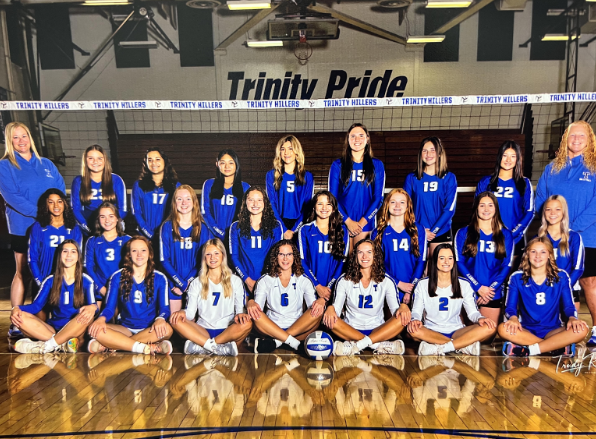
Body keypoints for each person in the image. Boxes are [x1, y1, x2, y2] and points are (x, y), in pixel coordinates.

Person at [0, 122, 65, 336]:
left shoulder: (45, 163)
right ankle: (16, 321)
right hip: (23, 226)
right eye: (15, 137)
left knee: (53, 269)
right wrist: (43, 214)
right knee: (23, 273)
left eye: (24, 136)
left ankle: (52, 317)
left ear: (30, 138)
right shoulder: (5, 165)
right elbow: (12, 197)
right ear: (10, 141)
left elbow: (59, 189)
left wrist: (54, 215)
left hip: (49, 227)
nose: (21, 141)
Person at [535, 121, 596, 346]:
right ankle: (566, 330)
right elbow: (540, 198)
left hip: (587, 236)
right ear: (565, 139)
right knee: (557, 279)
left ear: (589, 140)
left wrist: (572, 229)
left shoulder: (594, 166)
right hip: (552, 238)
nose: (577, 139)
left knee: (589, 281)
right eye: (573, 135)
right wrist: (551, 227)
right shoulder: (552, 168)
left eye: (582, 136)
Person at [498, 237, 588, 357]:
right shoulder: (516, 277)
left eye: (543, 252)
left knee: (583, 329)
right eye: (533, 251)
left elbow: (568, 306)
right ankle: (555, 348)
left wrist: (572, 318)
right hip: (526, 330)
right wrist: (513, 318)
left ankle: (529, 350)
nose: (538, 256)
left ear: (550, 255)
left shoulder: (561, 276)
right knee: (502, 329)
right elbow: (510, 308)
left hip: (553, 331)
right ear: (527, 254)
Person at [323, 239, 411, 356]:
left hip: (378, 330)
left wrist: (404, 306)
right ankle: (378, 346)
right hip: (351, 330)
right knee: (330, 319)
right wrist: (330, 309)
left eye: (369, 252)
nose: (365, 256)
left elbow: (395, 310)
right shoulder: (344, 280)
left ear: (376, 255)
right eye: (360, 252)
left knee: (403, 318)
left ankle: (356, 346)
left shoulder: (387, 281)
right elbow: (337, 310)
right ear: (355, 256)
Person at [87, 236, 173, 355]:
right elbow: (109, 308)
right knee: (96, 330)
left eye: (143, 250)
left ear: (149, 253)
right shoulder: (117, 277)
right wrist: (101, 319)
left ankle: (117, 345)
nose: (139, 254)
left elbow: (164, 308)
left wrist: (160, 319)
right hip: (125, 329)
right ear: (129, 254)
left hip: (148, 329)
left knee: (167, 329)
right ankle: (146, 347)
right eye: (134, 251)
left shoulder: (160, 278)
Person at [407, 243, 497, 356]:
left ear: (454, 261)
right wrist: (415, 319)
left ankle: (443, 347)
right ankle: (461, 346)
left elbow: (473, 312)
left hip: (457, 331)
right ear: (435, 260)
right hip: (431, 330)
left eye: (450, 258)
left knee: (490, 328)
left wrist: (480, 318)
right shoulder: (422, 284)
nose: (446, 262)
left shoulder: (464, 284)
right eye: (442, 258)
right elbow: (416, 311)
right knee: (413, 330)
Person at [11, 240, 97, 353]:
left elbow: (94, 307)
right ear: (59, 255)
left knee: (87, 315)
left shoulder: (86, 280)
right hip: (53, 330)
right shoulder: (50, 280)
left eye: (73, 252)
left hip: (76, 329)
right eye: (65, 251)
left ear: (78, 256)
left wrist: (93, 307)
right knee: (20, 316)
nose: (69, 255)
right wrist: (17, 308)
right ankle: (62, 345)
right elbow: (36, 306)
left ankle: (46, 346)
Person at [170, 238, 252, 356]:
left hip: (227, 331)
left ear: (223, 256)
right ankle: (215, 348)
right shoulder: (196, 282)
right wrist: (182, 312)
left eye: (216, 253)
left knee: (248, 323)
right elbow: (190, 314)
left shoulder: (235, 280)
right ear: (204, 258)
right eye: (208, 254)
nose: (212, 258)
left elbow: (239, 311)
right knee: (175, 320)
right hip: (203, 331)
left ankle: (204, 347)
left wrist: (241, 314)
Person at [247, 240, 325, 353]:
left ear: (294, 257)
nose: (285, 258)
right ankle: (295, 344)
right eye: (281, 254)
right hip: (271, 328)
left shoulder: (303, 280)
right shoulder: (265, 280)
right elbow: (257, 308)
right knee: (255, 312)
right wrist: (251, 303)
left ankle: (276, 342)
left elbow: (312, 308)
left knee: (317, 311)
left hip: (298, 328)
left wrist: (321, 301)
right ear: (275, 257)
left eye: (289, 254)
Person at [454, 192, 514, 322]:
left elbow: (506, 265)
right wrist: (478, 287)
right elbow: (459, 263)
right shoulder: (463, 233)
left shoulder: (506, 235)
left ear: (496, 208)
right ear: (476, 208)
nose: (486, 209)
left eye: (490, 205)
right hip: (468, 289)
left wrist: (490, 289)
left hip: (492, 292)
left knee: (487, 335)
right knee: (464, 334)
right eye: (482, 205)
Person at [328, 123, 385, 248]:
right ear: (348, 140)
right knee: (344, 264)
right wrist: (347, 221)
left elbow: (378, 198)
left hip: (365, 224)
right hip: (342, 222)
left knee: (361, 262)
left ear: (367, 139)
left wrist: (362, 223)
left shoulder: (377, 165)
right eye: (353, 136)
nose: (357, 139)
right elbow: (332, 198)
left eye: (361, 135)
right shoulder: (337, 165)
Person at [475, 140, 534, 259]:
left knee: (510, 275)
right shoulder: (486, 182)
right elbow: (476, 210)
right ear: (499, 157)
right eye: (505, 155)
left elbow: (529, 212)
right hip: (489, 237)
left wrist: (513, 234)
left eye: (513, 156)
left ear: (518, 159)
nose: (508, 160)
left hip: (514, 238)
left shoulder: (524, 183)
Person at [160, 185, 211, 313]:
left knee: (191, 324)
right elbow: (164, 260)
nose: (184, 203)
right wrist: (180, 283)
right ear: (174, 203)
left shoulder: (202, 228)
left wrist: (188, 283)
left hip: (195, 282)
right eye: (179, 199)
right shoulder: (166, 227)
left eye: (188, 199)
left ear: (194, 202)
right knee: (174, 322)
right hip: (173, 284)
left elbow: (204, 260)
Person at [404, 136, 457, 259]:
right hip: (417, 231)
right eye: (425, 150)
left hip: (441, 232)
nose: (428, 154)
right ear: (420, 154)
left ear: (439, 153)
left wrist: (433, 231)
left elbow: (449, 209)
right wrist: (420, 230)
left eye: (432, 150)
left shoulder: (449, 178)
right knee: (421, 272)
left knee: (438, 272)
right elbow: (405, 208)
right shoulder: (412, 178)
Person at [372, 188, 427, 304]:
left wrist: (410, 288)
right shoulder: (378, 232)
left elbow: (421, 261)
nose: (397, 205)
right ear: (387, 205)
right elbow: (376, 265)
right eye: (393, 202)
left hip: (413, 287)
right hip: (387, 286)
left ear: (408, 206)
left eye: (402, 202)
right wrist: (398, 283)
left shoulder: (418, 229)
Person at [229, 186, 283, 293]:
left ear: (265, 203)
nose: (255, 204)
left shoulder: (275, 226)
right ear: (245, 202)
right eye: (251, 200)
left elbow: (277, 257)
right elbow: (234, 257)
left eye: (259, 200)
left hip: (269, 282)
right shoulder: (236, 227)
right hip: (244, 282)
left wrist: (265, 281)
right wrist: (247, 280)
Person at [298, 191, 349, 303]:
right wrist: (317, 286)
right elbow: (302, 261)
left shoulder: (343, 230)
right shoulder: (305, 230)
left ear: (334, 207)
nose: (324, 207)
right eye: (320, 203)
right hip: (310, 285)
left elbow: (342, 262)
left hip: (333, 286)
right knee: (313, 316)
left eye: (328, 204)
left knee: (330, 318)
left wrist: (329, 287)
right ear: (314, 207)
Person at [537, 195, 585, 310]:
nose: (552, 213)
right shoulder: (537, 239)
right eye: (548, 209)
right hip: (543, 292)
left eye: (558, 209)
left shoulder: (574, 237)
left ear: (564, 212)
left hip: (568, 291)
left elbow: (578, 269)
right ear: (544, 212)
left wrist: (561, 288)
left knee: (570, 327)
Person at [29, 189, 82, 289]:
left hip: (66, 284)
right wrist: (41, 284)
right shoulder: (38, 227)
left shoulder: (74, 228)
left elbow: (77, 259)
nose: (56, 206)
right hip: (44, 281)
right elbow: (32, 259)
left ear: (65, 203)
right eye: (51, 202)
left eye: (59, 201)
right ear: (46, 205)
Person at [266, 135, 314, 240]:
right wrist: (282, 228)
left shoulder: (307, 176)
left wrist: (294, 230)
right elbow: (271, 203)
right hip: (278, 222)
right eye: (282, 149)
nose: (286, 153)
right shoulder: (272, 175)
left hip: (299, 223)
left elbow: (307, 206)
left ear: (297, 151)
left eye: (290, 148)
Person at [71, 144, 127, 235]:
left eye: (99, 158)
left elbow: (123, 209)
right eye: (90, 158)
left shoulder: (116, 180)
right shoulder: (78, 181)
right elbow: (75, 209)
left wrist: (109, 225)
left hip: (110, 227)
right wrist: (86, 226)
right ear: (85, 160)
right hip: (88, 228)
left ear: (105, 160)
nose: (95, 162)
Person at [84, 202, 131, 304]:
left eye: (111, 216)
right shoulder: (92, 241)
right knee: (95, 316)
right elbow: (89, 268)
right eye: (102, 217)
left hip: (121, 290)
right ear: (98, 219)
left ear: (117, 218)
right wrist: (101, 288)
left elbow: (132, 268)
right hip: (99, 290)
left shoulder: (127, 240)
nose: (107, 220)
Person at [131, 147, 179, 240]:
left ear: (164, 161)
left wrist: (164, 234)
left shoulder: (175, 186)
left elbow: (177, 214)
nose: (154, 163)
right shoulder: (138, 185)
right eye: (150, 160)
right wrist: (149, 234)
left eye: (157, 159)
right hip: (144, 237)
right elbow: (136, 212)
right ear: (146, 163)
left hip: (167, 236)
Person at [201, 149, 250, 239]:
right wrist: (219, 233)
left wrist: (233, 234)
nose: (227, 166)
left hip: (235, 237)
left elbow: (247, 215)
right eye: (223, 163)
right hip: (213, 236)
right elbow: (205, 212)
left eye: (231, 163)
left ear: (236, 164)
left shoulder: (245, 187)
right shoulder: (209, 184)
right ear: (217, 164)